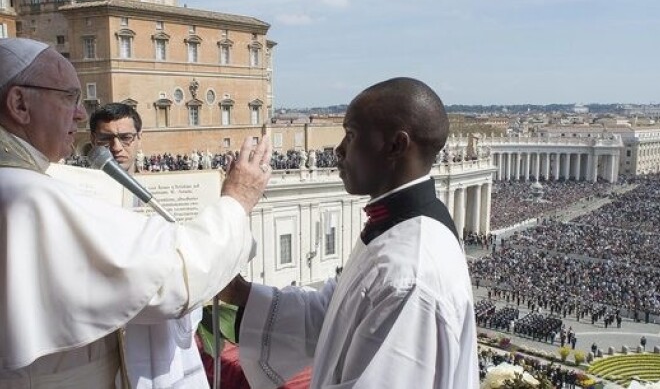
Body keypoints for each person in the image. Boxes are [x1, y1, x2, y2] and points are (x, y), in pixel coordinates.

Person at [0, 38, 272, 387]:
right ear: (19, 104)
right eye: (69, 98)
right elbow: (170, 276)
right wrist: (238, 199)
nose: (81, 114)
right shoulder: (26, 195)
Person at [221, 77, 478, 388]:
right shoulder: (395, 228)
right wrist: (240, 293)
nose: (338, 149)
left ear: (396, 146)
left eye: (351, 135)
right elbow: (333, 315)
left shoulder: (409, 272)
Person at [89, 102, 207, 388]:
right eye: (106, 139)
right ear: (93, 143)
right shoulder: (82, 200)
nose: (116, 147)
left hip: (157, 336)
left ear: (139, 139)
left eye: (125, 137)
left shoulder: (167, 196)